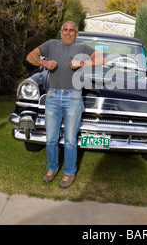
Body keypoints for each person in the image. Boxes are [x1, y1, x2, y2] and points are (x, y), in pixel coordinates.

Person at [26, 21, 105, 189]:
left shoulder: (82, 47)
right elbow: (30, 56)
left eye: (71, 31)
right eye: (65, 30)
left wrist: (82, 64)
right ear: (61, 32)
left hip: (73, 97)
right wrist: (45, 63)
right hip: (53, 96)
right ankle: (52, 169)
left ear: (77, 34)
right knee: (51, 138)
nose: (68, 33)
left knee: (70, 139)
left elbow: (101, 59)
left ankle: (69, 173)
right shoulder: (51, 45)